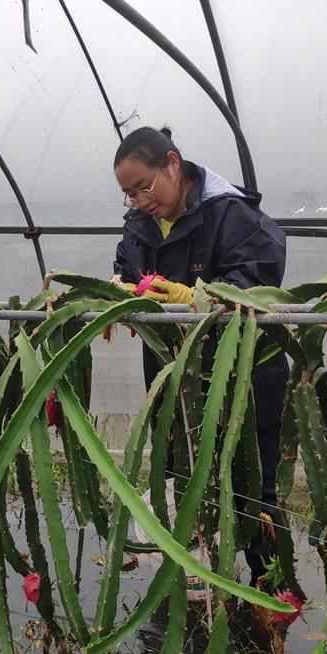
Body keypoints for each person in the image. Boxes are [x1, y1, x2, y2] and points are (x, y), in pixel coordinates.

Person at [112, 126, 288, 589]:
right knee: (182, 481)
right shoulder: (138, 225)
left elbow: (262, 276)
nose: (139, 200)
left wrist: (199, 296)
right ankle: (193, 591)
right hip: (174, 383)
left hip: (243, 378)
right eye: (128, 194)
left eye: (144, 186)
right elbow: (126, 269)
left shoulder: (228, 213)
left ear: (172, 163)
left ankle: (267, 594)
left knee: (254, 490)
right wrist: (123, 291)